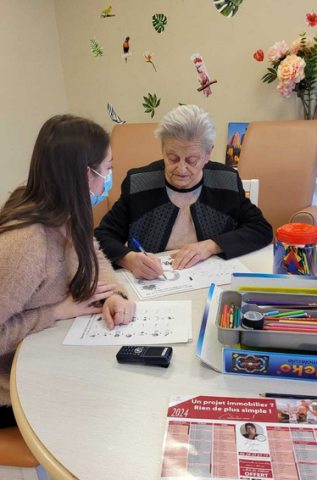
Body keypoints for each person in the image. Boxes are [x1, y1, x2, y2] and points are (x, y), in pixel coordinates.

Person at [0, 114, 135, 424]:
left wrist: (112, 295)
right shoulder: (25, 244)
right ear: (85, 174)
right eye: (108, 169)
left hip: (45, 356)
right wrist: (56, 312)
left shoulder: (66, 212)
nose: (110, 178)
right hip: (10, 390)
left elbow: (94, 255)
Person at [95, 104, 273, 280]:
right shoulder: (139, 183)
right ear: (162, 149)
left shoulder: (226, 181)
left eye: (192, 160)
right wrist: (128, 259)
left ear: (208, 154)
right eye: (172, 158)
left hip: (210, 282)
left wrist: (211, 246)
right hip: (155, 283)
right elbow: (102, 236)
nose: (181, 169)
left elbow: (261, 229)